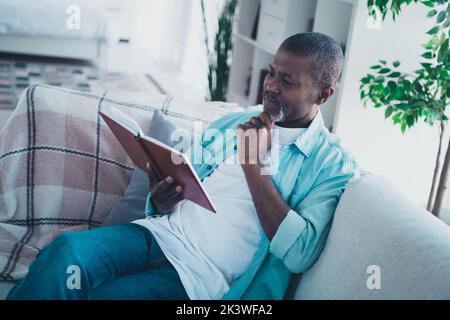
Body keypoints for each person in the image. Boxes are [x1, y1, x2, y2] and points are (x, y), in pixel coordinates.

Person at [7, 32, 359, 300]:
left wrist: (253, 166)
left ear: (323, 94)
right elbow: (184, 182)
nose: (270, 86)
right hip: (160, 236)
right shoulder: (235, 121)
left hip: (201, 278)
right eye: (272, 73)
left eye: (287, 81)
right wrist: (161, 199)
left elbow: (299, 254)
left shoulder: (332, 166)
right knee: (65, 253)